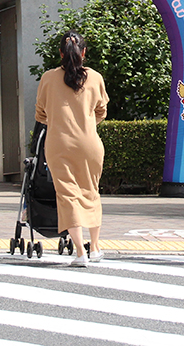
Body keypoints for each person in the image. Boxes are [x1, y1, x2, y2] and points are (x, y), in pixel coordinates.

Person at [35, 31, 109, 268]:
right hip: (90, 144)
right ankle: (95, 247)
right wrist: (86, 124)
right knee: (91, 191)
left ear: (60, 53)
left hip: (59, 143)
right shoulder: (95, 78)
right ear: (84, 53)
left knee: (67, 195)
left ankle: (80, 252)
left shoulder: (48, 78)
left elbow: (40, 114)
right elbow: (102, 112)